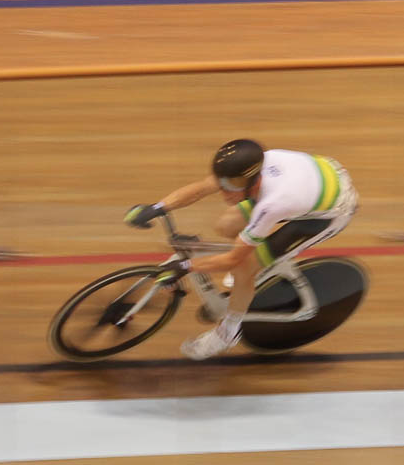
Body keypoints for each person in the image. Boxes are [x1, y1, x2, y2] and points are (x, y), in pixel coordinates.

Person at [122, 138, 359, 360]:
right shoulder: (242, 170)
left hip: (330, 212)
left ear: (254, 180)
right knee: (226, 225)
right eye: (223, 183)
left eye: (231, 186)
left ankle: (228, 333)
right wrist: (158, 207)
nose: (224, 191)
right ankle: (256, 265)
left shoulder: (273, 204)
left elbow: (233, 260)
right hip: (315, 181)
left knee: (244, 267)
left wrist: (185, 266)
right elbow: (201, 188)